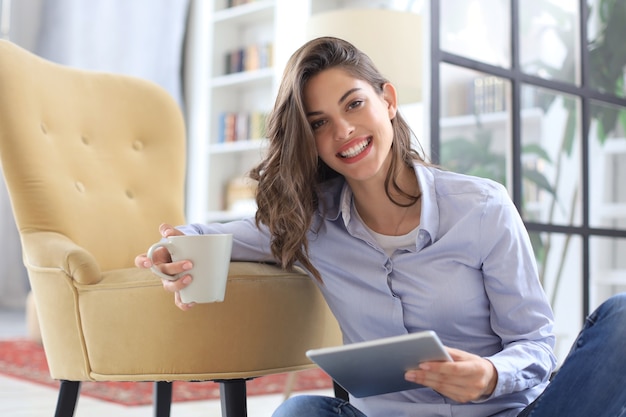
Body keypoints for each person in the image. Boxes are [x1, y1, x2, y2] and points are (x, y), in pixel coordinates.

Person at [135, 37, 626, 417]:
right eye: (319, 122)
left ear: (387, 100)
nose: (343, 131)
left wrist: (490, 375)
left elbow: (536, 345)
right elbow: (203, 234)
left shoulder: (481, 208)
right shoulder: (310, 221)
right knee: (301, 409)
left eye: (353, 104)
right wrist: (170, 255)